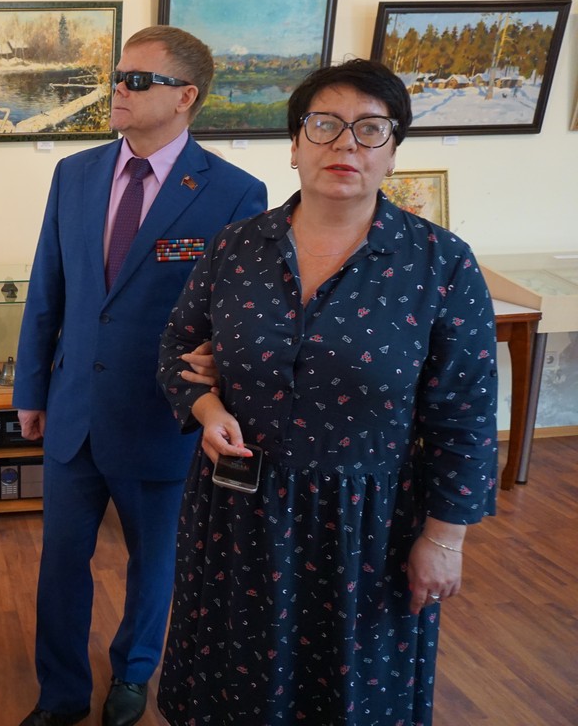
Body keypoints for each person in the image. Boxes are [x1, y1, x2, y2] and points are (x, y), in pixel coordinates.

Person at [155, 58, 499, 724]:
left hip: (365, 529)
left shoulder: (440, 262)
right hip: (238, 515)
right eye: (324, 125)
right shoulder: (237, 248)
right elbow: (175, 349)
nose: (346, 143)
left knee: (346, 695)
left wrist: (445, 539)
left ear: (392, 152)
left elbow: (466, 414)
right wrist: (207, 406)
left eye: (370, 129)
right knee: (233, 684)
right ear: (294, 145)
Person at [14, 25, 268, 726]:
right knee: (61, 564)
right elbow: (47, 289)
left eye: (136, 80)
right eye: (116, 77)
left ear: (185, 97)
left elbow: (238, 314)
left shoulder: (233, 193)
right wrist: (31, 389)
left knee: (154, 562)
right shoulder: (75, 175)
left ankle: (133, 673)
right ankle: (61, 693)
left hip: (162, 418)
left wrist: (220, 381)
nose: (117, 90)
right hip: (73, 410)